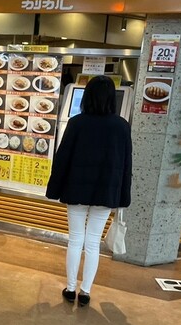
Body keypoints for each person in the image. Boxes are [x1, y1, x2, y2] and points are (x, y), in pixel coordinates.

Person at [46, 75, 132, 307]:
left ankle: (70, 289)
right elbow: (126, 165)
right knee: (93, 243)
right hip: (106, 193)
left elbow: (62, 159)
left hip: (76, 190)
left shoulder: (77, 123)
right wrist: (123, 197)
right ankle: (85, 291)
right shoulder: (122, 126)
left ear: (87, 96)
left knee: (75, 240)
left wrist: (54, 189)